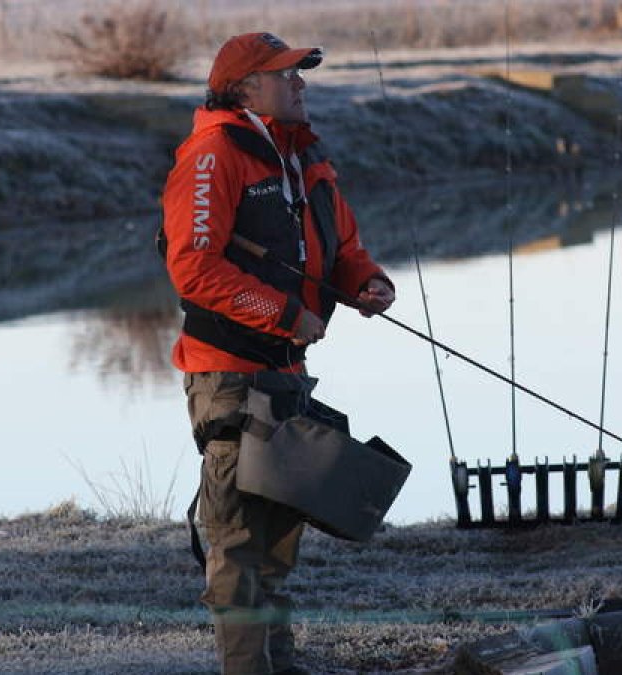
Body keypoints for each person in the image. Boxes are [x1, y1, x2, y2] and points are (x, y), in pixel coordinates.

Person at [159, 32, 395, 675]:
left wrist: (366, 283)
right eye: (286, 74)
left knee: (278, 537)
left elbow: (341, 245)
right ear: (246, 89)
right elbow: (194, 269)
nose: (300, 83)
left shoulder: (302, 154)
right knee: (237, 542)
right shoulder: (211, 155)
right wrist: (286, 314)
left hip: (287, 374)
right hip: (227, 375)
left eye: (300, 73)